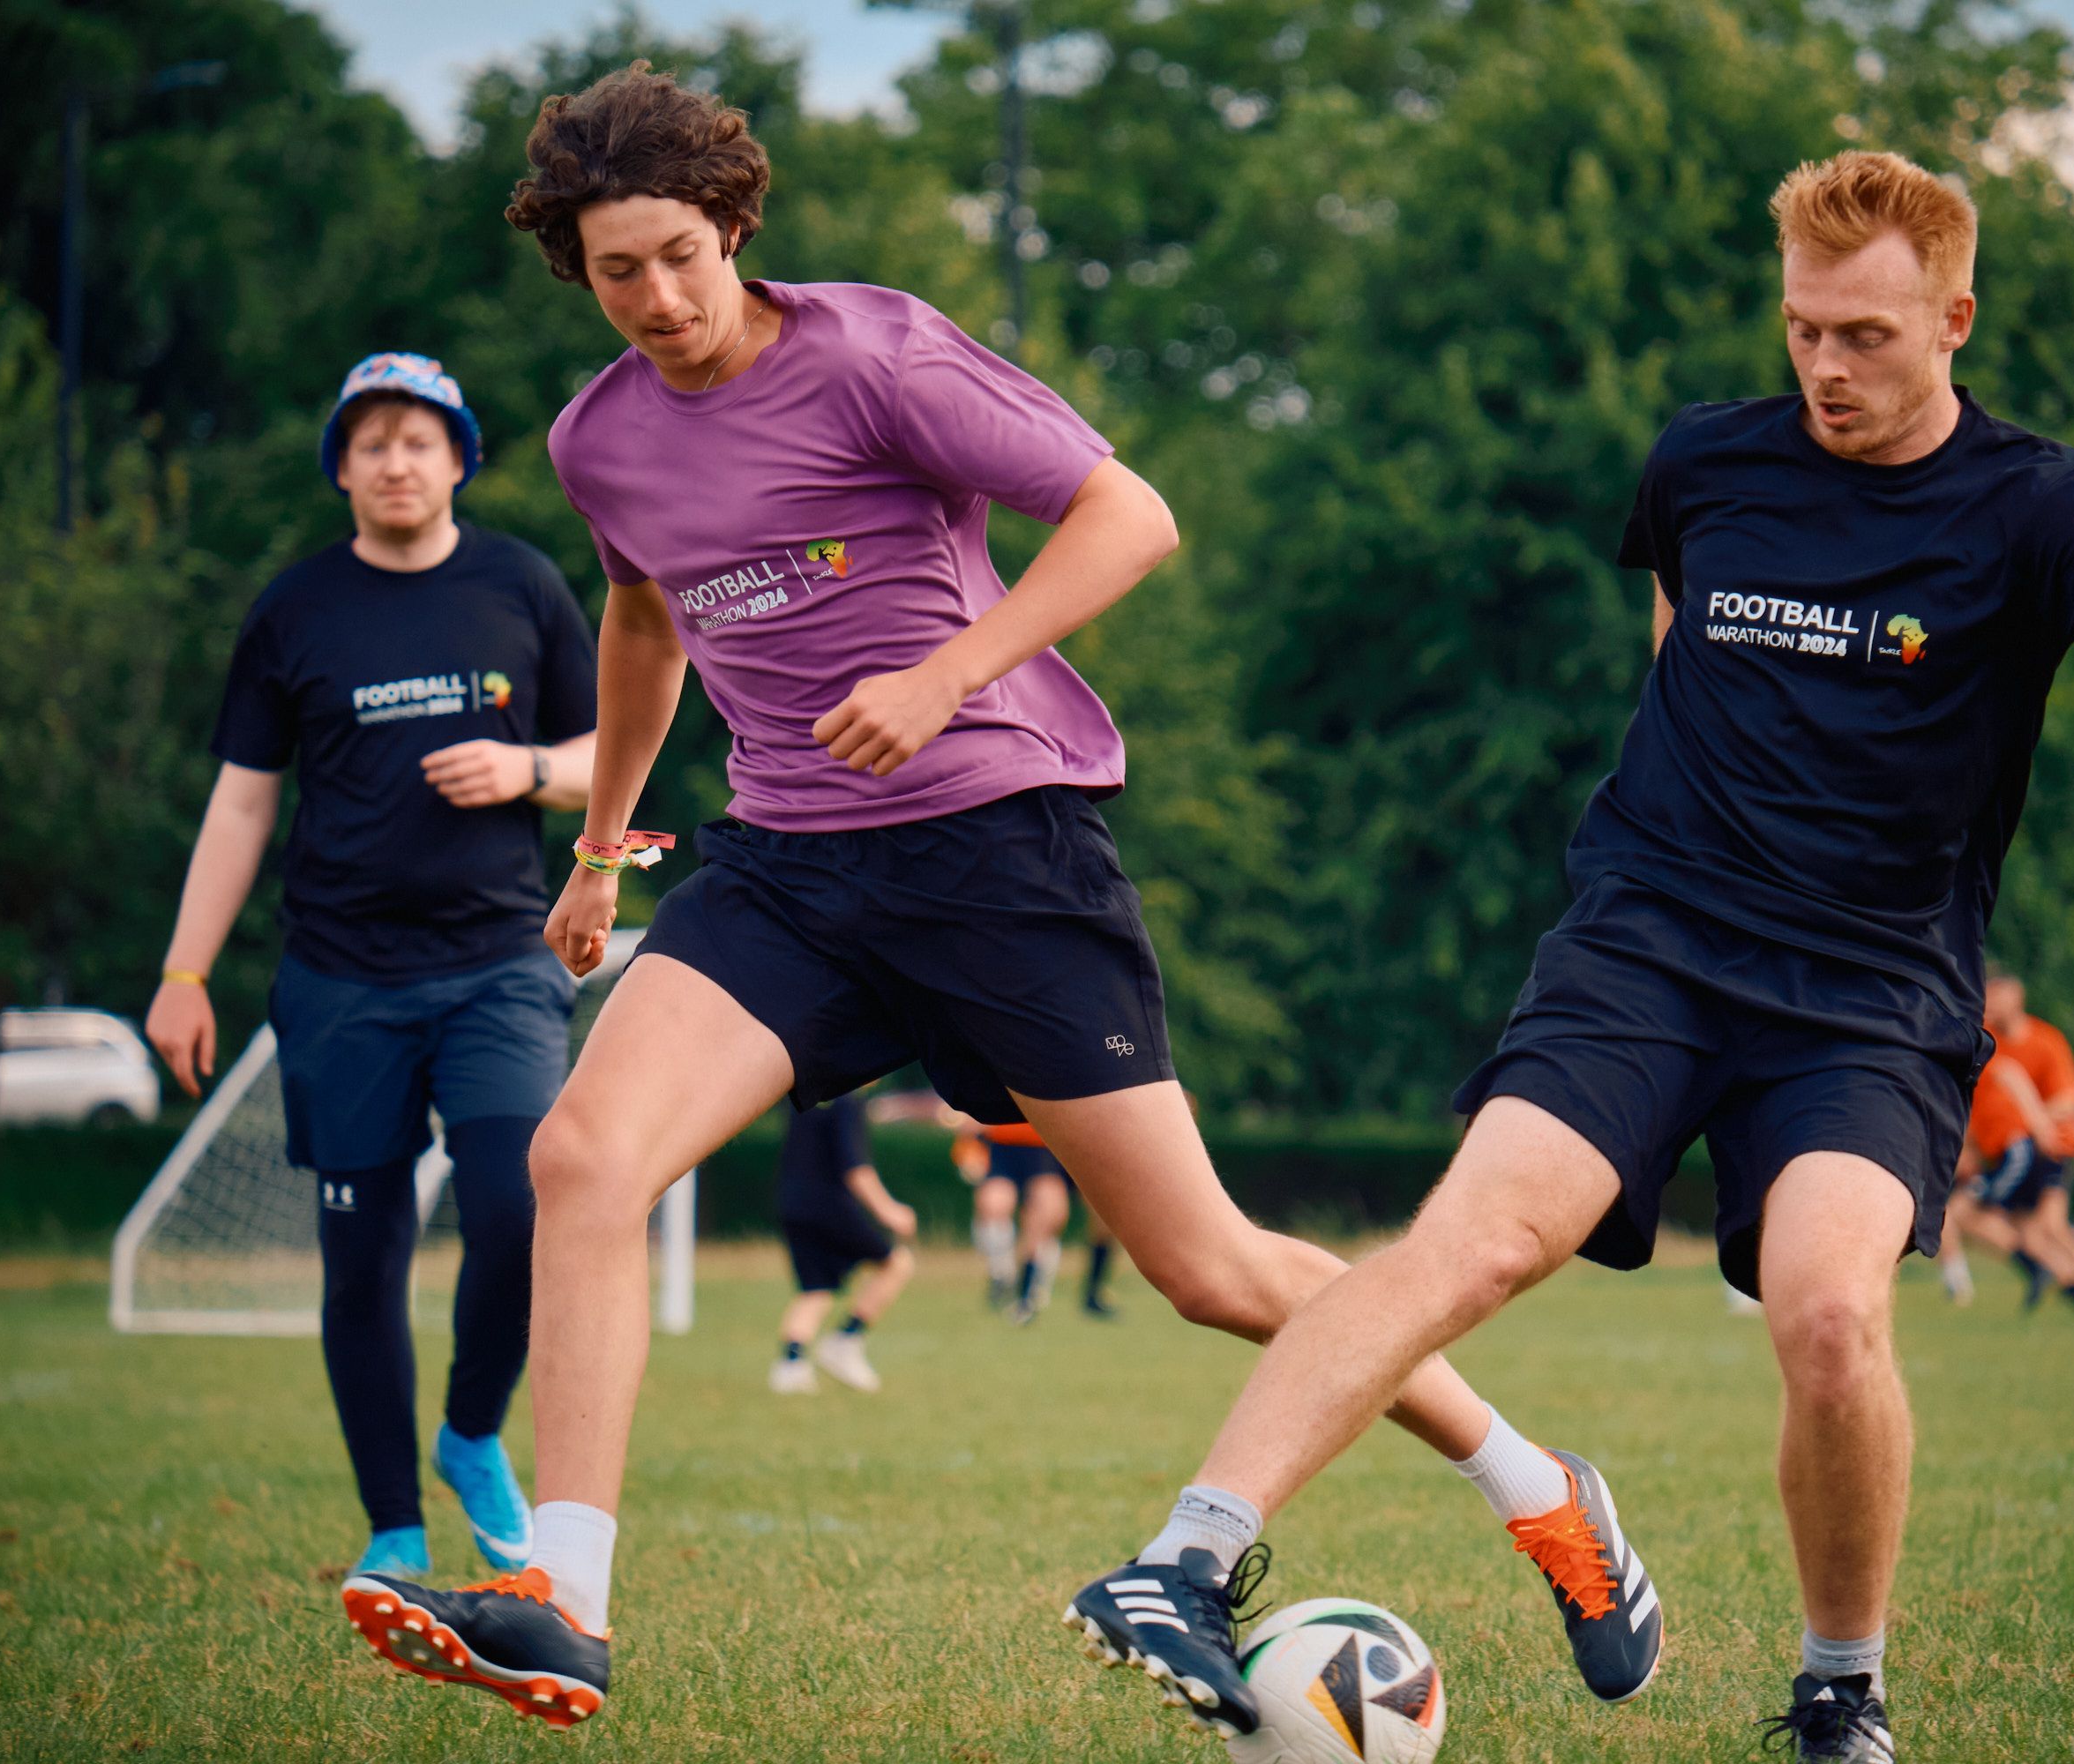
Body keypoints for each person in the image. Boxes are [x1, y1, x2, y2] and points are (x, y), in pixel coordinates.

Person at [341, 64, 1630, 1730]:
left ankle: (1540, 1488)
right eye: (615, 271)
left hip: (999, 847)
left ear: (735, 225)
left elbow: (1129, 514)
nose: (655, 298)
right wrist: (599, 848)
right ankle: (563, 1606)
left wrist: (951, 674)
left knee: (1209, 1268)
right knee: (582, 1155)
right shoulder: (600, 438)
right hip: (789, 868)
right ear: (574, 274)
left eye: (677, 253)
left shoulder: (874, 353)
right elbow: (646, 622)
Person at [1067, 149, 2074, 1760]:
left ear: (1955, 320)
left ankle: (1840, 1688)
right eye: (1805, 328)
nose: (1826, 365)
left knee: (1828, 1314)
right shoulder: (1704, 464)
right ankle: (1184, 1563)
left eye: (1868, 336)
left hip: (1869, 1000)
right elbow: (1678, 632)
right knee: (1465, 1244)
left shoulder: (2041, 504)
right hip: (1646, 948)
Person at [146, 353, 598, 1580]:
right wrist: (185, 974)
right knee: (365, 1256)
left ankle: (469, 1435)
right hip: (341, 980)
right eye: (372, 442)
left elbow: (610, 745)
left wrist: (529, 773)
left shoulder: (522, 582)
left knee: (518, 1206)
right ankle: (393, 1530)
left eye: (420, 439)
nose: (397, 461)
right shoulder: (295, 611)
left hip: (499, 963)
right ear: (342, 468)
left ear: (459, 456)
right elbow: (242, 807)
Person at [1940, 971, 2074, 1311]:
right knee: (2039, 1227)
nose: (1990, 1002)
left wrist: (2038, 1124)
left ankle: (2072, 1266)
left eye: (1998, 994)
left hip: (2052, 1146)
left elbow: (2071, 1097)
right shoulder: (1987, 1041)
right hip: (2017, 1149)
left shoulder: (2045, 1040)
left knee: (1990, 1216)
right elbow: (1981, 1106)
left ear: (2016, 996)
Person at [771, 1094, 916, 1394]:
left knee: (816, 1288)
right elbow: (856, 1168)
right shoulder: (849, 1101)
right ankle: (845, 1341)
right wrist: (888, 1210)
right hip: (831, 1206)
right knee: (897, 1264)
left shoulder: (808, 1096)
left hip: (793, 1204)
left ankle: (790, 1366)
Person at [977, 1119, 1071, 1323]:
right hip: (1004, 1141)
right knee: (993, 1204)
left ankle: (1031, 1292)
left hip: (1045, 1145)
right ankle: (1002, 1273)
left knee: (1045, 1217)